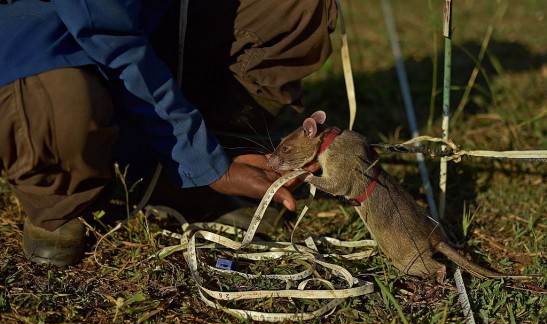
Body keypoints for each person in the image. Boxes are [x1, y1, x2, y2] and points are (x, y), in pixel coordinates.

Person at [0, 0, 337, 266]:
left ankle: (188, 170)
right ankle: (63, 192)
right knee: (59, 103)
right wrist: (202, 159)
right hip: (39, 34)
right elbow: (110, 37)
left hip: (142, 15)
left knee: (293, 6)